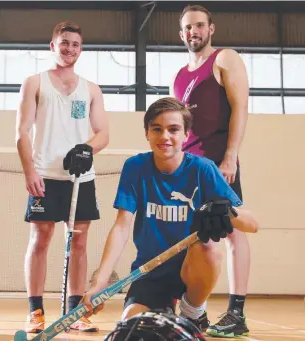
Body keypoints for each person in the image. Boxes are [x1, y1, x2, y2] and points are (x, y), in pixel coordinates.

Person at [81, 98, 259, 337]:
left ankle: (192, 312)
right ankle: (163, 308)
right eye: (157, 128)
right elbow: (122, 227)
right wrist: (99, 283)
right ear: (147, 133)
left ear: (186, 134)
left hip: (191, 270)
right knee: (132, 330)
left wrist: (225, 210)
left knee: (210, 246)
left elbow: (252, 224)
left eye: (174, 129)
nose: (165, 136)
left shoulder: (202, 169)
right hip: (151, 272)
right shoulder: (135, 167)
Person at [15, 21, 109, 334]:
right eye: (64, 43)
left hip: (80, 178)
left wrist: (87, 149)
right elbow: (22, 131)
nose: (69, 49)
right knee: (40, 240)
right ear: (52, 45)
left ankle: (75, 312)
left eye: (75, 45)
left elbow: (103, 133)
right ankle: (36, 311)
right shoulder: (34, 83)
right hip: (45, 175)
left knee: (79, 245)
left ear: (81, 49)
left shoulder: (91, 89)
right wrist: (30, 170)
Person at [172, 4, 252, 338]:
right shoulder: (179, 75)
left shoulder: (224, 59)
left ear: (211, 29)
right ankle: (196, 313)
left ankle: (236, 313)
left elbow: (241, 107)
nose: (194, 32)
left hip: (217, 164)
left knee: (233, 232)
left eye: (200, 26)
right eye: (188, 28)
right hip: (186, 166)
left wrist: (230, 156)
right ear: (182, 34)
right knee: (187, 239)